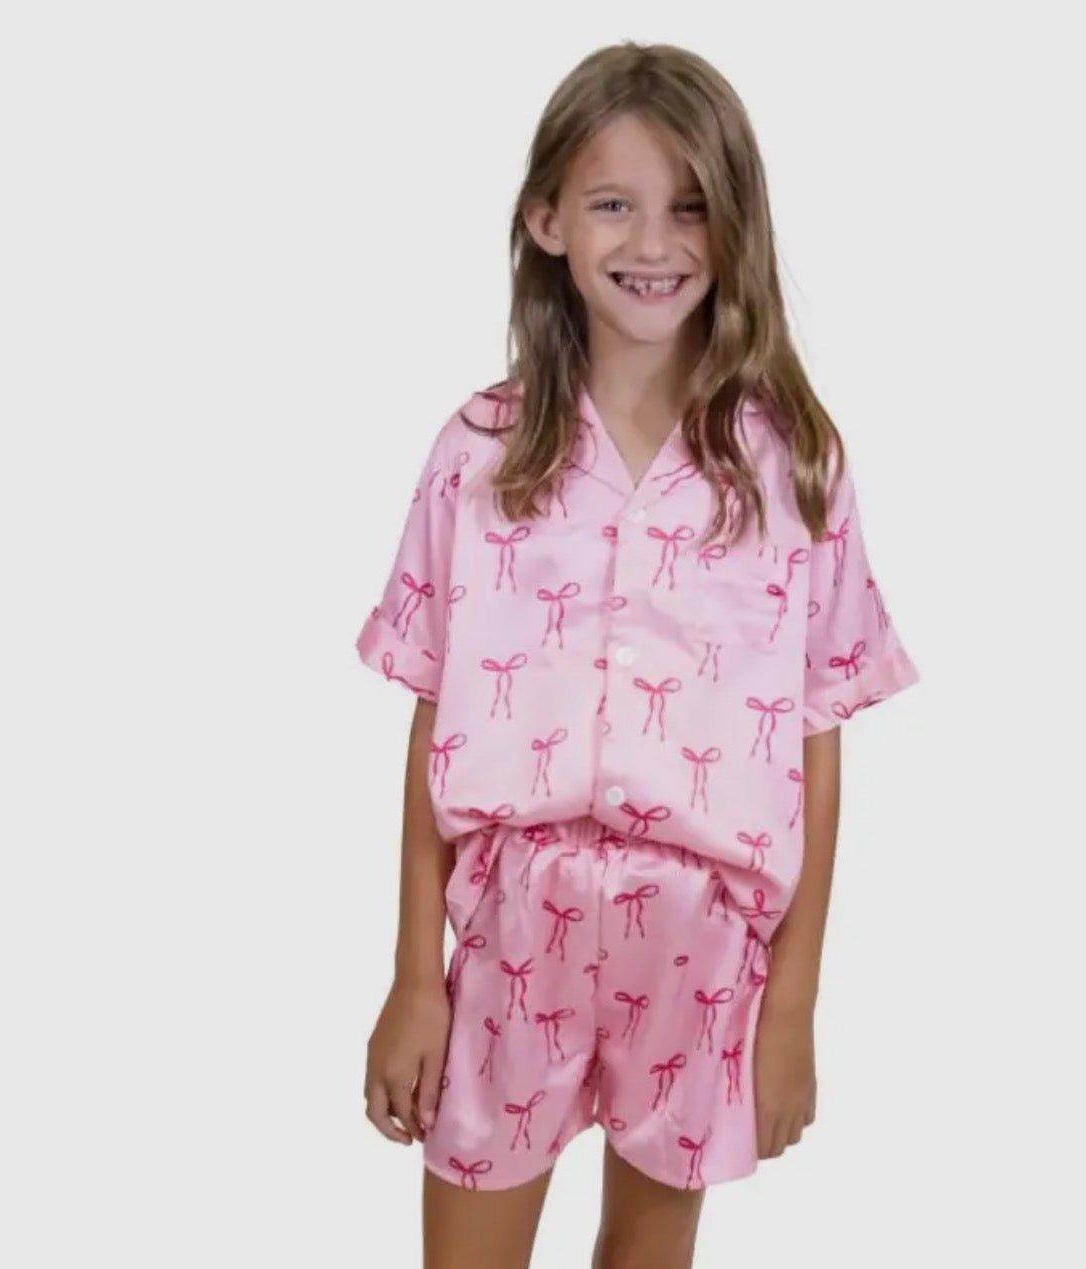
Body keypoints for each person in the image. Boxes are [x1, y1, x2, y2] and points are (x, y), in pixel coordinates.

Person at [357, 40, 920, 1269]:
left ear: (735, 229)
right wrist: (414, 977)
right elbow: (434, 710)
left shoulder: (793, 467)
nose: (653, 242)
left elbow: (816, 737)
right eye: (614, 203)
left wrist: (793, 1002)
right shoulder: (478, 456)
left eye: (690, 208)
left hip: (699, 938)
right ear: (547, 220)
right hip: (515, 923)